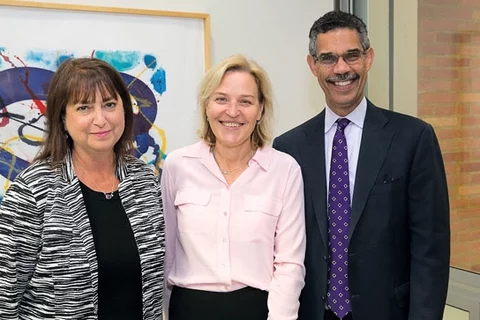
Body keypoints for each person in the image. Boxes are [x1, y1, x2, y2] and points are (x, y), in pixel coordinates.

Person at [273, 10, 450, 320]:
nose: (342, 69)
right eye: (328, 59)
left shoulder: (414, 137)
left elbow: (430, 249)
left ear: (368, 58)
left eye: (351, 56)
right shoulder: (288, 148)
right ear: (313, 65)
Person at [0, 58, 165, 319]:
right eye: (84, 107)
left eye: (109, 104)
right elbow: (4, 296)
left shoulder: (144, 181)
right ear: (63, 118)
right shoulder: (34, 190)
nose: (100, 119)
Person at [161, 54, 306, 320]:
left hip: (258, 310)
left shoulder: (284, 170)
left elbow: (289, 265)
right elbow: (167, 254)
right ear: (206, 105)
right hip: (189, 308)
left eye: (246, 101)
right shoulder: (177, 166)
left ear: (261, 109)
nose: (232, 111)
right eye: (221, 99)